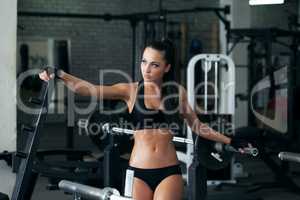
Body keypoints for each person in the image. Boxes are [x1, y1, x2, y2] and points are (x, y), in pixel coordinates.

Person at [39, 39, 251, 200]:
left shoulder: (177, 93)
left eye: (154, 65)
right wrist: (60, 75)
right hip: (137, 172)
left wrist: (231, 141)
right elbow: (89, 90)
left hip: (169, 171)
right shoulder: (130, 91)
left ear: (167, 67)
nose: (146, 69)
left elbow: (197, 126)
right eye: (144, 62)